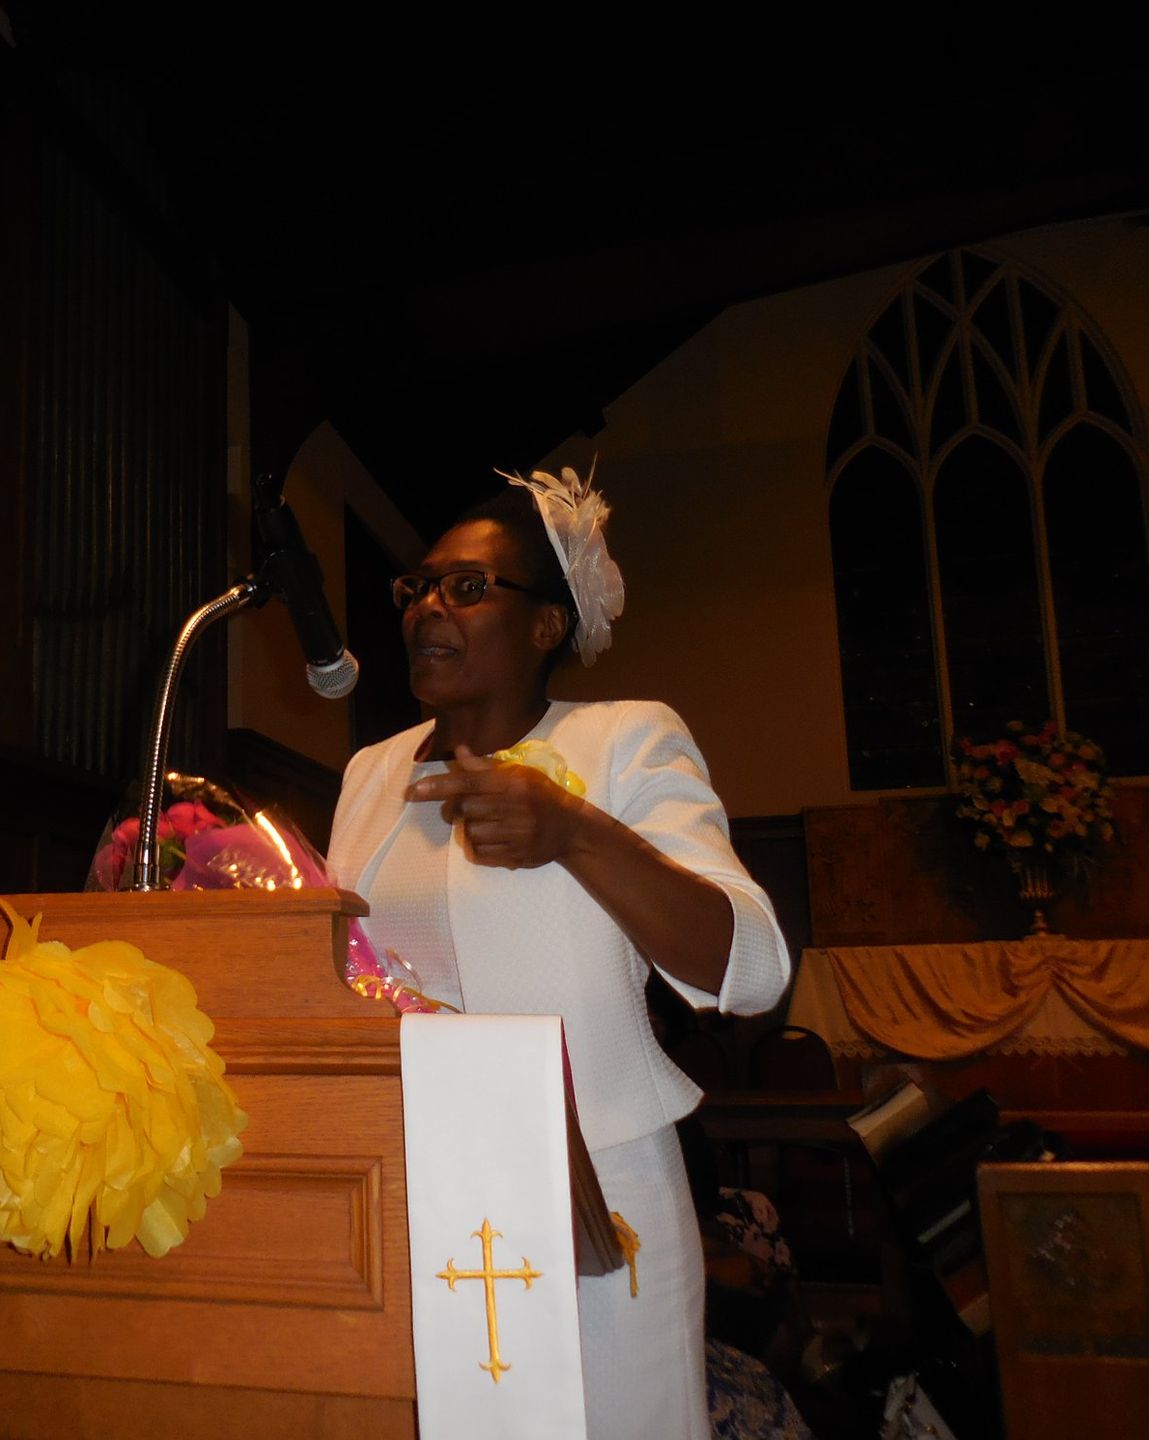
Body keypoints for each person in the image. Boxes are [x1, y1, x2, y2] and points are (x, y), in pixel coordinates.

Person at [327, 465, 792, 1440]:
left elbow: (752, 969)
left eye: (465, 587)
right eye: (416, 587)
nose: (424, 609)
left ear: (548, 624)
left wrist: (577, 833)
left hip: (596, 1189)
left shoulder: (625, 742)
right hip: (414, 1182)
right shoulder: (371, 773)